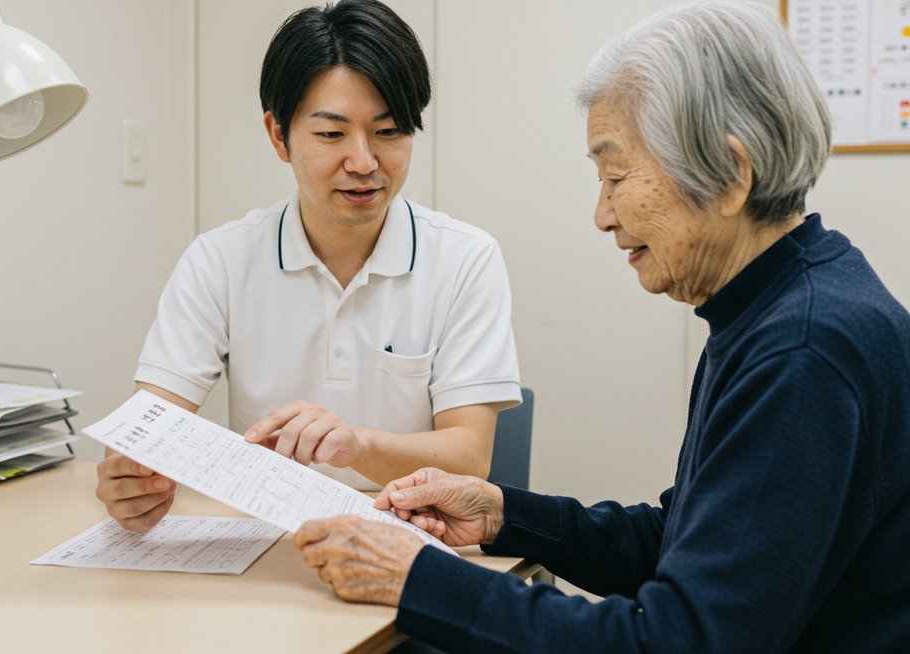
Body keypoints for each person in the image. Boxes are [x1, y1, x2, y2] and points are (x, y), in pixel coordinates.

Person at [293, 2, 910, 651]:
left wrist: (416, 577)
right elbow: (682, 546)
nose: (602, 214)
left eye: (616, 176)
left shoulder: (804, 350)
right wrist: (502, 514)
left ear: (731, 175)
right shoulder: (777, 304)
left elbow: (678, 641)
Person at [96, 0, 522, 532]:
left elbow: (468, 458)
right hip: (264, 541)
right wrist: (134, 479)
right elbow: (150, 424)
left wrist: (356, 444)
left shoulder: (465, 259)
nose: (364, 162)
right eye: (331, 134)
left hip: (409, 539)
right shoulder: (220, 259)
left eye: (388, 132)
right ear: (279, 135)